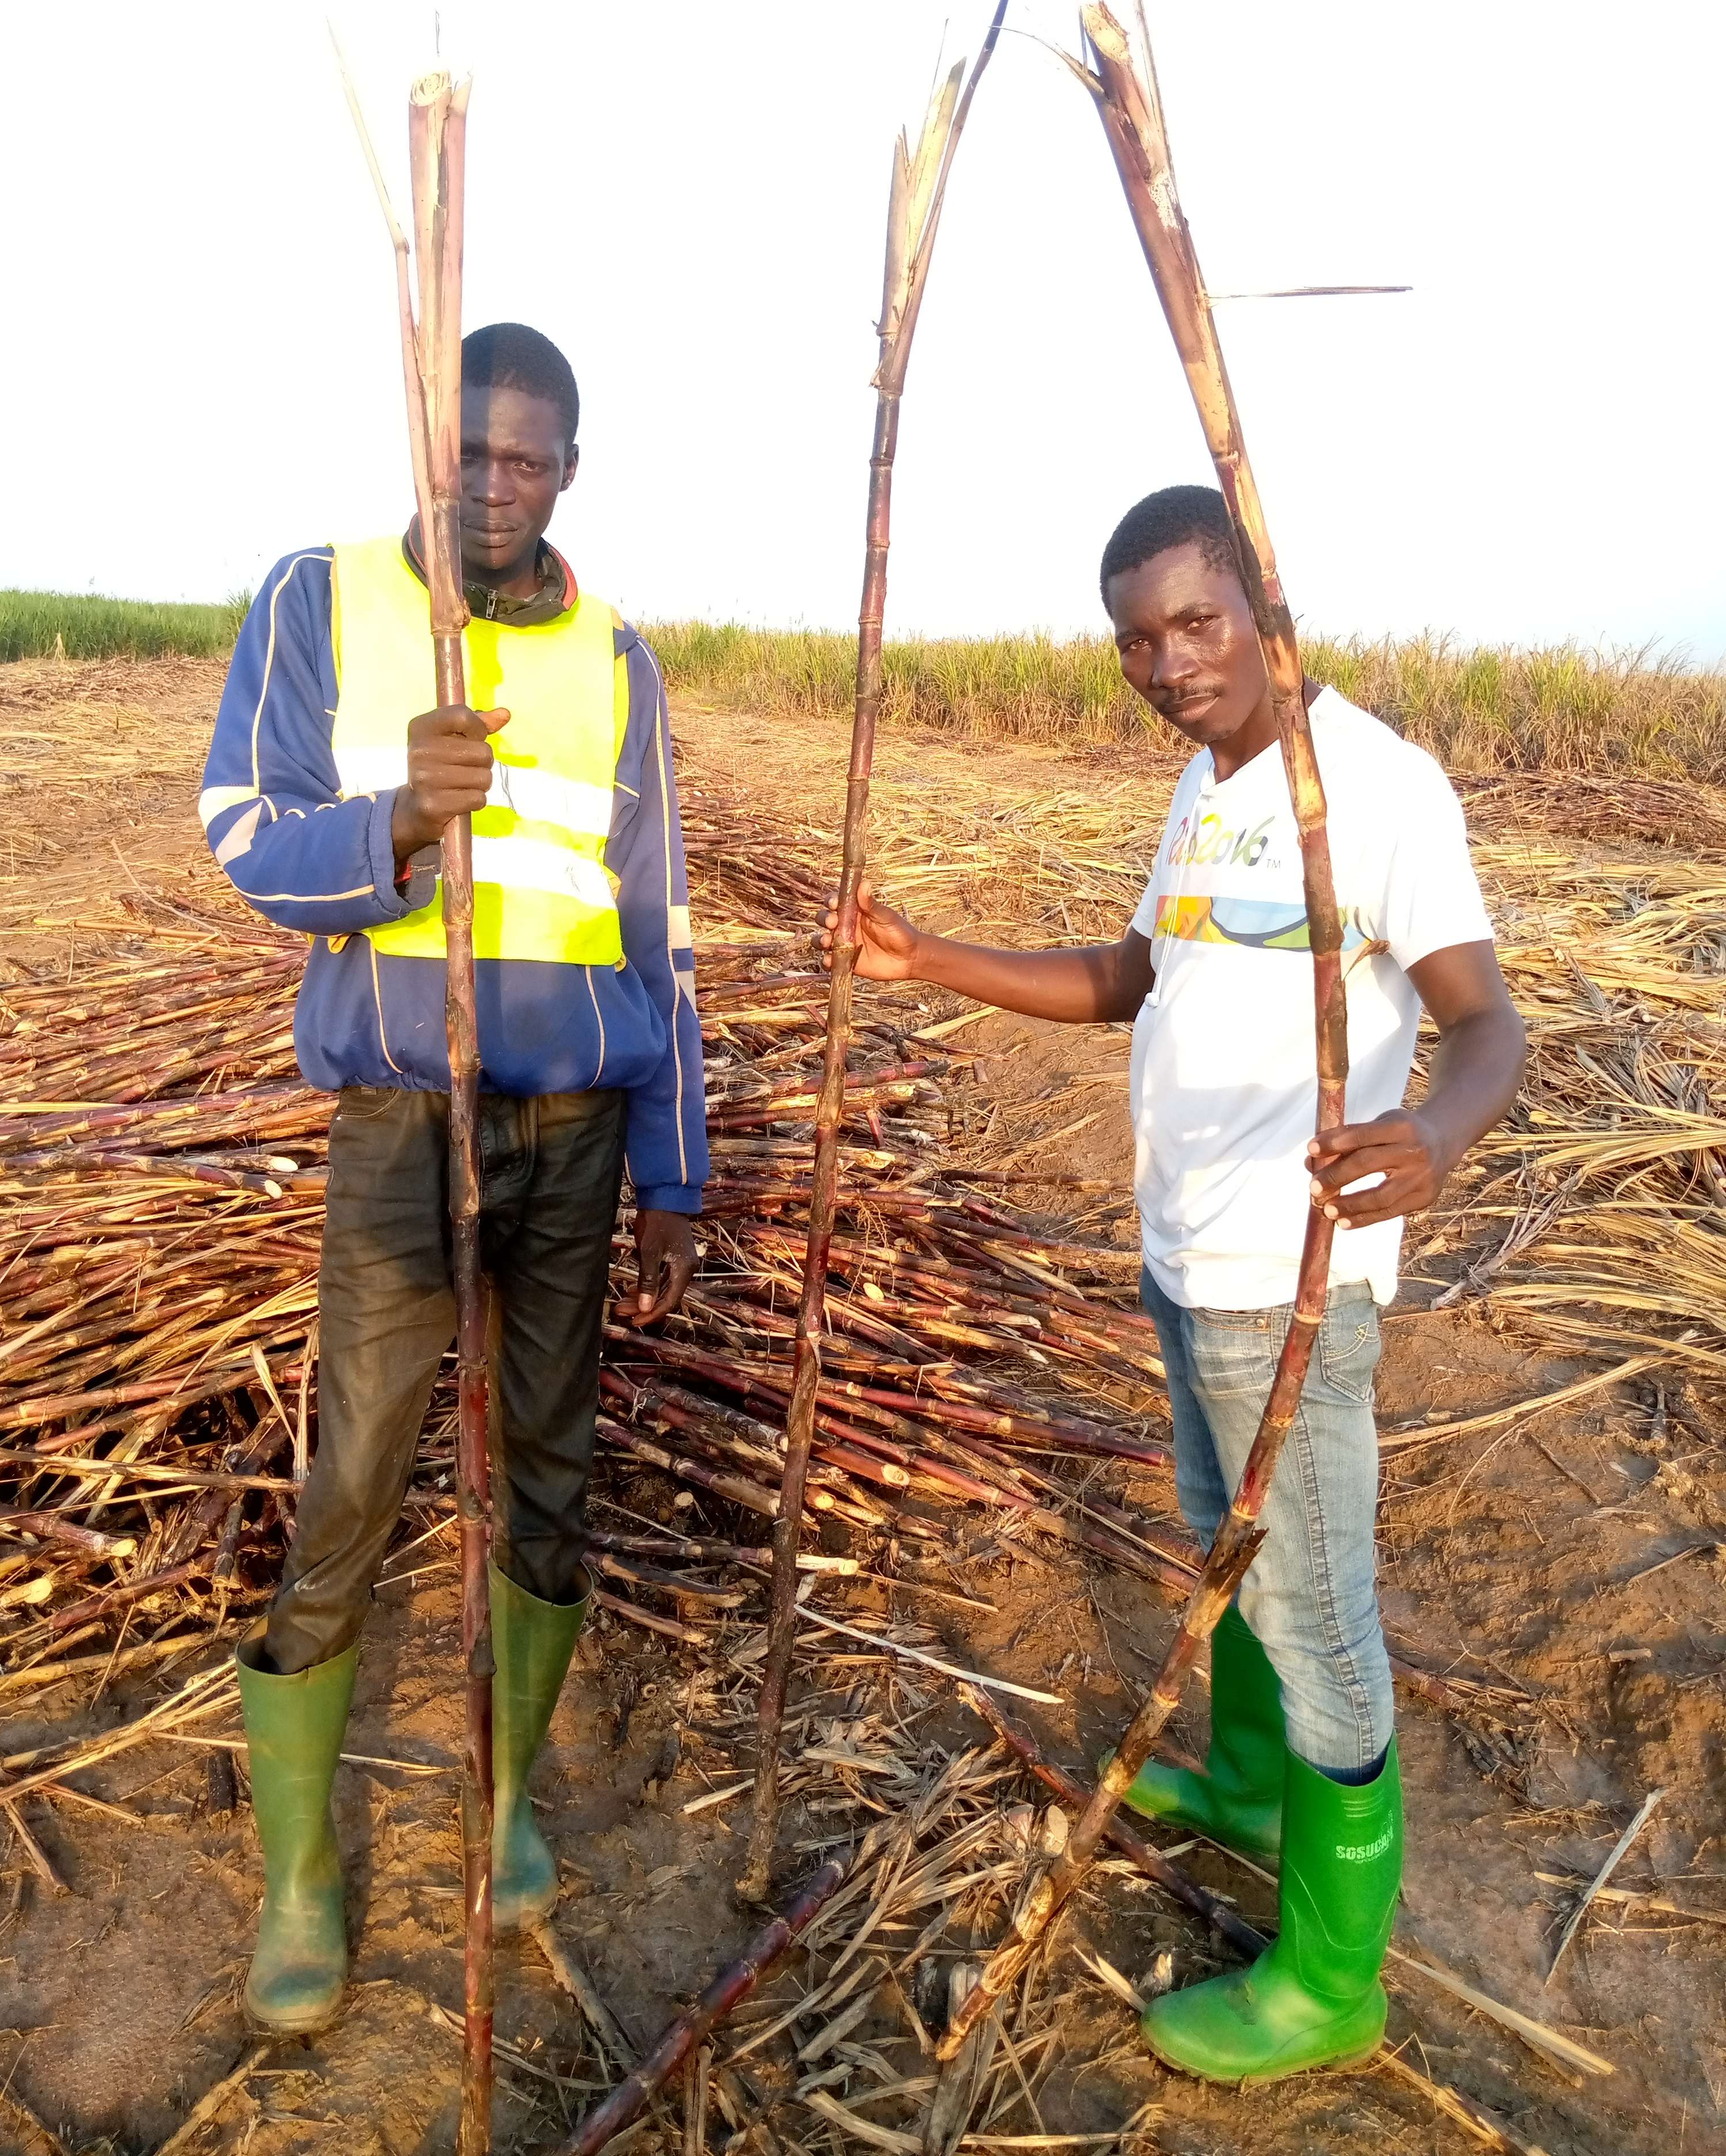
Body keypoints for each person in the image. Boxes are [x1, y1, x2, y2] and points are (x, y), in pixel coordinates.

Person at [827, 484, 1525, 2084]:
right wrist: (927, 957)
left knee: (1318, 1608)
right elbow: (1134, 975)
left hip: (1292, 1286)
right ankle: (1245, 1786)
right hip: (1185, 1257)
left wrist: (1431, 1134)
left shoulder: (1373, 785)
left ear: (1264, 609)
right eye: (1137, 638)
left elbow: (1492, 1027)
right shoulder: (1206, 786)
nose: (1167, 661)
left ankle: (1334, 1982)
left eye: (1196, 623)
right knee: (1231, 1545)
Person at [201, 322, 708, 2033]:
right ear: (430, 446)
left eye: (531, 457)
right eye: (471, 451)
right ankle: (300, 1879)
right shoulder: (318, 598)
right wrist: (400, 828)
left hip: (571, 1137)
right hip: (403, 1128)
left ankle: (502, 1799)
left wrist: (679, 1174)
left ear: (571, 468)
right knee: (353, 1479)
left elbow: (661, 932)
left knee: (551, 1478)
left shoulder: (621, 661)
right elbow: (243, 833)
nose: (497, 485)